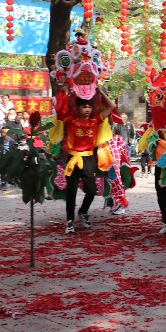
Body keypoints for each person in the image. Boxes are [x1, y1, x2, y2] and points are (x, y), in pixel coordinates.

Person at [56, 82, 116, 234]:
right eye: (84, 107)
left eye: (89, 107)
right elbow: (60, 112)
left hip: (89, 159)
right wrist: (63, 93)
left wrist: (101, 92)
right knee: (71, 193)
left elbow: (111, 107)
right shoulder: (71, 120)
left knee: (91, 191)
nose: (87, 109)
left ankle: (83, 211)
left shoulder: (95, 120)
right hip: (73, 158)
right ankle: (69, 222)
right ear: (78, 108)